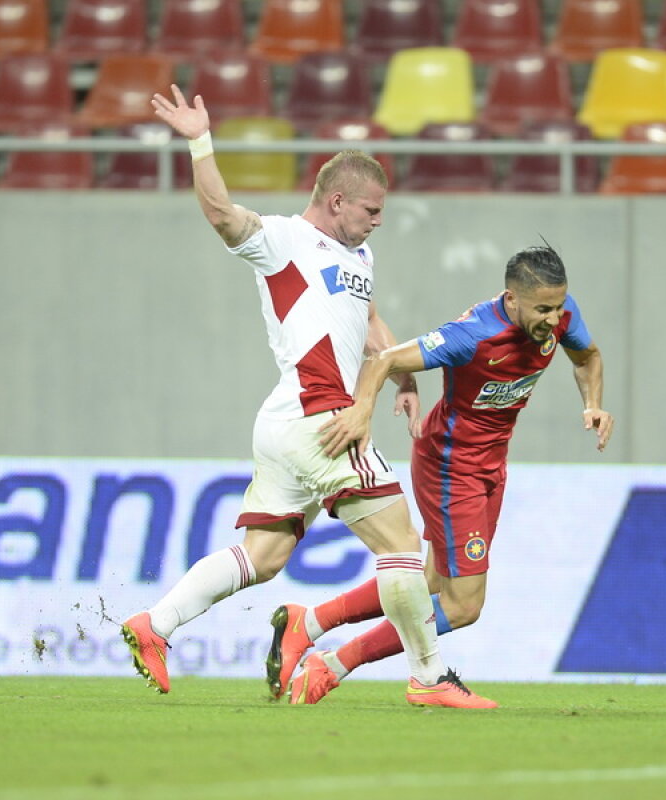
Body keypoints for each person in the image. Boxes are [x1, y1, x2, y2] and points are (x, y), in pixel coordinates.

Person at [120, 85, 494, 710]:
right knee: (401, 547)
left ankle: (153, 626)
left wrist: (400, 372)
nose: (380, 220)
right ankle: (429, 676)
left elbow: (365, 316)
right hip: (324, 419)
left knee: (262, 557)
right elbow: (221, 213)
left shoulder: (359, 253)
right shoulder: (283, 240)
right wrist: (199, 140)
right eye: (371, 210)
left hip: (287, 420)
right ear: (337, 200)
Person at [265, 243, 614, 705]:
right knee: (463, 604)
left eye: (558, 306)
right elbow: (382, 360)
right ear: (512, 300)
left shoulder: (561, 315)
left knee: (429, 582)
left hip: (491, 463)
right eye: (542, 309)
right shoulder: (471, 335)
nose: (554, 320)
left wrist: (592, 404)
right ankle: (335, 665)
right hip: (452, 465)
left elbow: (587, 356)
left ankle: (307, 624)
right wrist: (362, 411)